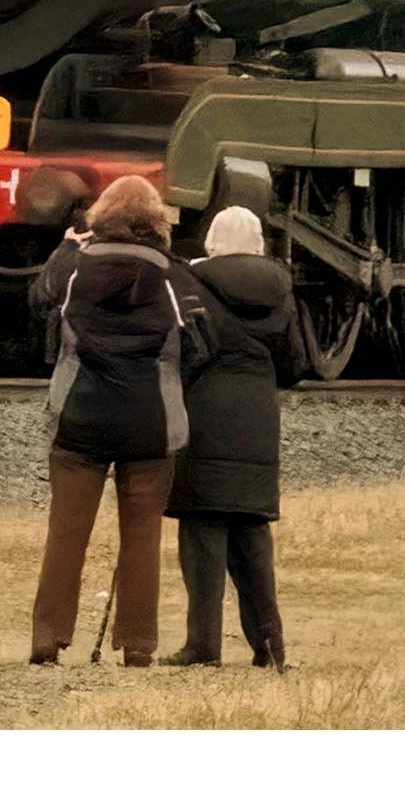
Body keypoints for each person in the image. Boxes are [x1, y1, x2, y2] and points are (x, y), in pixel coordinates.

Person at [26, 174, 209, 666]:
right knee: (143, 534)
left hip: (79, 418)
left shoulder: (75, 270)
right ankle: (138, 644)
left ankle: (48, 638)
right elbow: (199, 345)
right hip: (151, 422)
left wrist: (66, 250)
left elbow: (40, 297)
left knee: (66, 530)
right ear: (156, 223)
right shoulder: (175, 277)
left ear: (99, 218)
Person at [165, 203, 296, 669]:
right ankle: (270, 646)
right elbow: (295, 364)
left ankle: (203, 645)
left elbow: (182, 352)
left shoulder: (189, 280)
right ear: (259, 243)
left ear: (212, 241)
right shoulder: (280, 286)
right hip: (258, 414)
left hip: (204, 412)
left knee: (202, 530)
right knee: (251, 532)